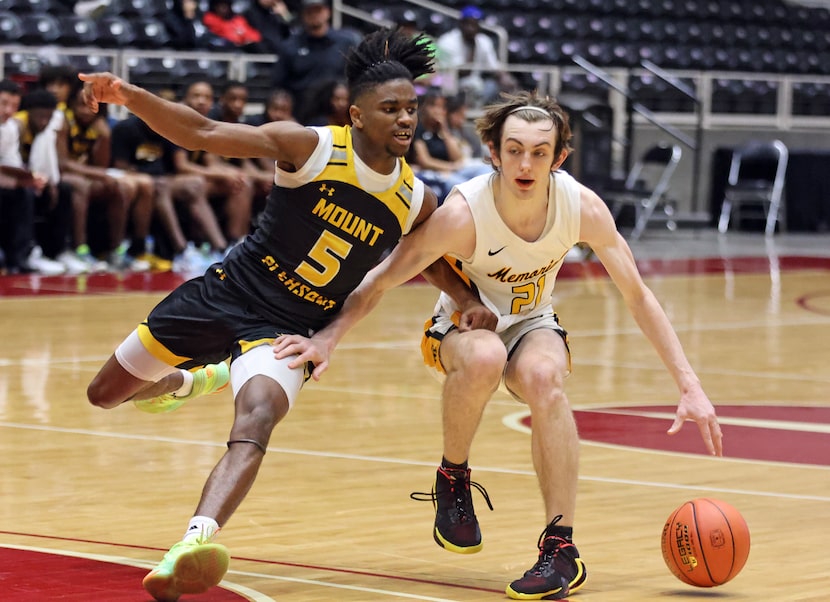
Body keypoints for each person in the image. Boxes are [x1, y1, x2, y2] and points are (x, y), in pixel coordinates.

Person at [80, 28, 484, 601]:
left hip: (290, 332)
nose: (404, 120)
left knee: (256, 419)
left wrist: (468, 300)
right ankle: (197, 380)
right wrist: (129, 95)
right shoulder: (312, 147)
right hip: (225, 292)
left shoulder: (415, 199)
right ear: (356, 115)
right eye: (389, 108)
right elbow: (204, 131)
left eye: (411, 109)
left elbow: (430, 260)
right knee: (105, 393)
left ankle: (192, 543)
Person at [272, 91, 724, 600]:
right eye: (513, 150)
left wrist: (689, 384)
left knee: (543, 378)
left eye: (538, 151)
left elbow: (638, 297)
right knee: (486, 355)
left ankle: (561, 548)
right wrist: (328, 337)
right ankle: (453, 476)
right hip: (460, 332)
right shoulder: (464, 213)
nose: (525, 163)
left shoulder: (582, 208)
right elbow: (382, 278)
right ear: (492, 151)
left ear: (559, 157)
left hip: (532, 321)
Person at [175, 80, 255, 250]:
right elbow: (181, 166)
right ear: (185, 99)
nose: (201, 101)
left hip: (195, 177)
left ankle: (237, 244)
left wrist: (232, 175)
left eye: (206, 97)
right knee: (197, 185)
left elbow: (210, 161)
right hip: (170, 178)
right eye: (196, 96)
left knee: (241, 183)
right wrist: (222, 174)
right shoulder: (179, 123)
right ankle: (216, 247)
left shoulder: (206, 124)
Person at [0, 80, 65, 275]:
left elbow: (11, 165)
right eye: (4, 104)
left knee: (27, 192)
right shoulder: (17, 127)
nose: (9, 110)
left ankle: (21, 256)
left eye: (14, 106)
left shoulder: (9, 128)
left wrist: (30, 179)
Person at [270, 0, 360, 105]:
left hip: (337, 109)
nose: (314, 15)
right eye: (309, 11)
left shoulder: (345, 42)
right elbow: (278, 84)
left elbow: (355, 78)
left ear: (328, 12)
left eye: (318, 10)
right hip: (301, 111)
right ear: (303, 14)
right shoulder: (290, 46)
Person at [435, 5, 516, 107]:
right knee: (463, 83)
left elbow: (493, 67)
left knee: (493, 85)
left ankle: (478, 111)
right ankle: (451, 109)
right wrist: (473, 47)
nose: (471, 28)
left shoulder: (483, 41)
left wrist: (505, 78)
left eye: (474, 24)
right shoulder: (447, 41)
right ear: (461, 23)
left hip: (474, 83)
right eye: (468, 23)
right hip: (449, 80)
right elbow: (462, 72)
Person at [202, 0, 269, 53]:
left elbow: (255, 36)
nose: (223, 7)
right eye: (219, 4)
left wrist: (244, 39)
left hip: (241, 52)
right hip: (221, 55)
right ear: (214, 6)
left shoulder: (237, 19)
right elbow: (229, 36)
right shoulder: (209, 19)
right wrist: (241, 38)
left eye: (225, 3)